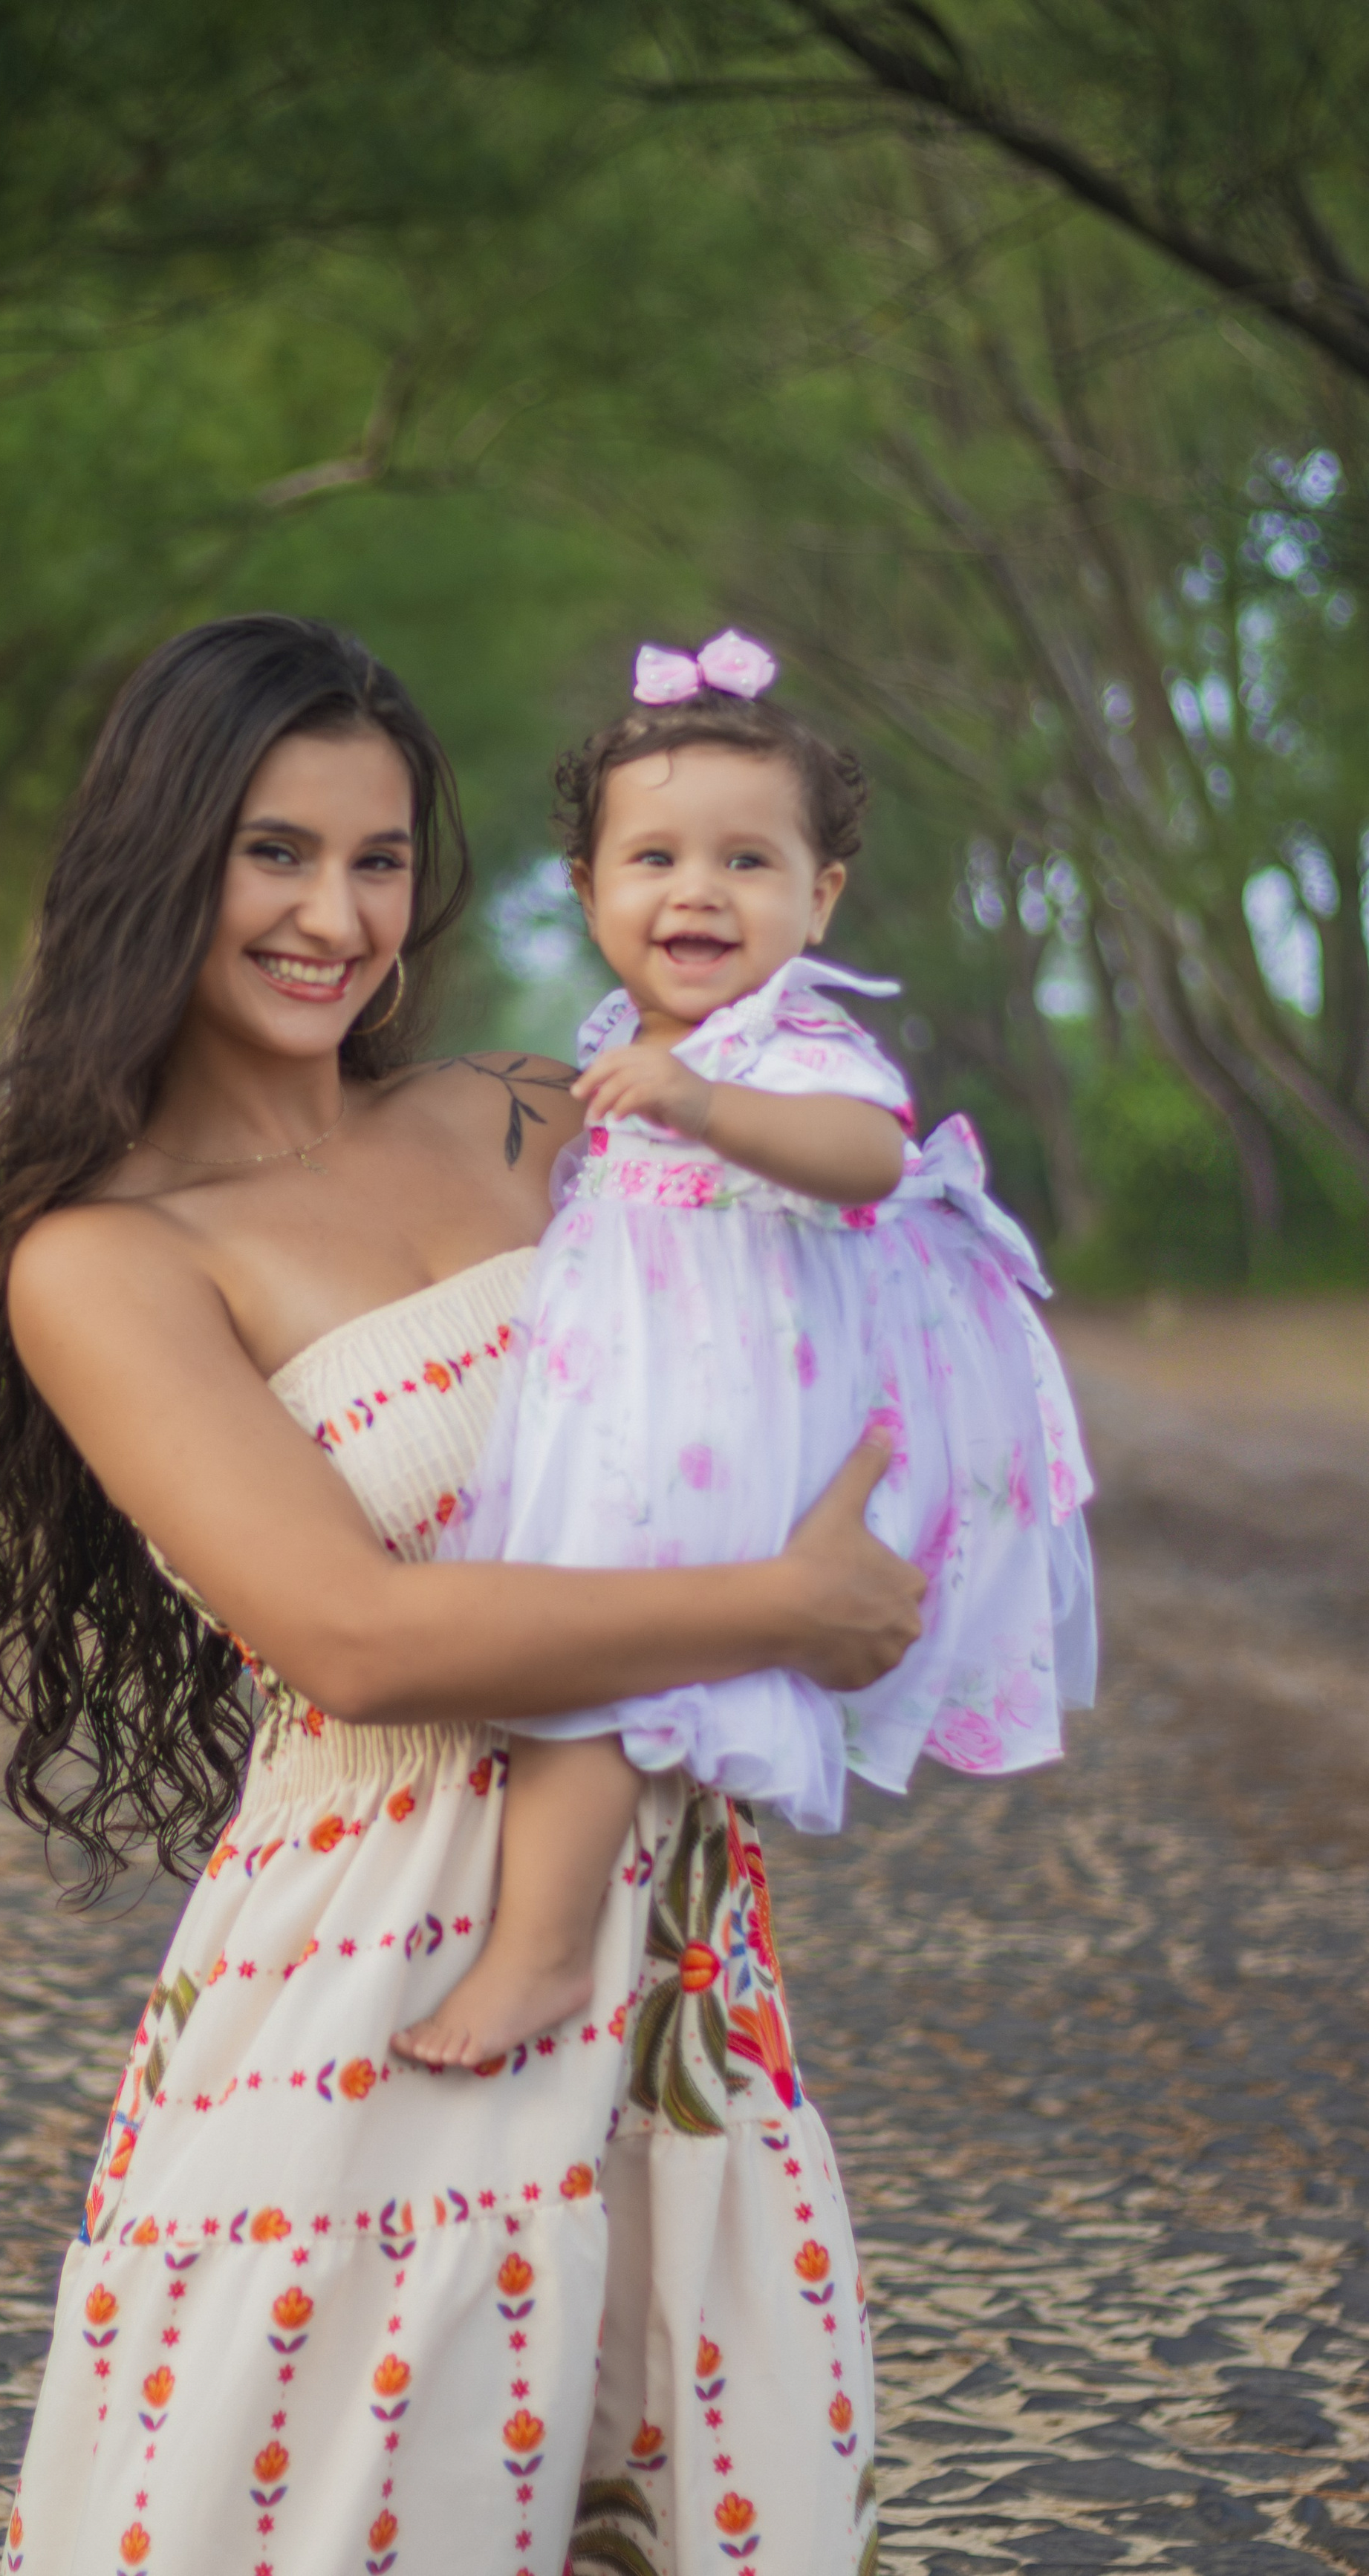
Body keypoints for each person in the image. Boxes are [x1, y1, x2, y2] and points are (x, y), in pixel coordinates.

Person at [0, 613, 926, 2576]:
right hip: (371, 1972)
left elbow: (789, 1334)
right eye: (274, 852)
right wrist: (776, 1605)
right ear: (160, 860)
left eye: (378, 859)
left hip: (667, 1944)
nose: (336, 916)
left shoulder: (535, 1109)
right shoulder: (107, 1258)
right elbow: (352, 1638)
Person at [395, 631, 1096, 2074]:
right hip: (632, 1396)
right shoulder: (619, 1040)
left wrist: (703, 1105)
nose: (697, 890)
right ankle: (593, 1939)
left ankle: (537, 1953)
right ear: (585, 889)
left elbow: (867, 1156)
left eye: (747, 861)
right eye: (652, 858)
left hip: (721, 1411)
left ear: (819, 895)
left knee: (586, 1650)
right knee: (581, 1651)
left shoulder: (793, 1043)